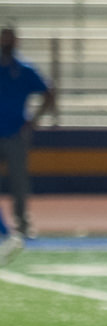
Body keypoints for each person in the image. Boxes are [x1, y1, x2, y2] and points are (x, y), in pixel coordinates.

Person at [0, 26, 56, 251]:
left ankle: (21, 223)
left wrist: (34, 120)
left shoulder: (23, 68)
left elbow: (48, 92)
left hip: (14, 132)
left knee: (18, 180)